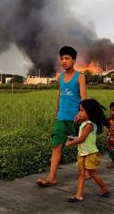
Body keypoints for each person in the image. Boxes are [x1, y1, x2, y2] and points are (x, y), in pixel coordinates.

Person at [37, 46, 86, 187]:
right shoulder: (61, 77)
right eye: (62, 59)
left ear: (74, 60)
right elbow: (60, 94)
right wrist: (57, 111)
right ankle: (52, 177)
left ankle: (88, 171)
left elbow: (83, 97)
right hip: (62, 117)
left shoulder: (80, 77)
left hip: (76, 118)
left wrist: (82, 114)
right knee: (56, 146)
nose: (64, 61)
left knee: (82, 146)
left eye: (67, 58)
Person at [65, 99, 109, 202]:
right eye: (79, 110)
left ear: (90, 112)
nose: (79, 113)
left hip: (90, 153)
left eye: (82, 110)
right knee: (81, 174)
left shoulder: (89, 125)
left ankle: (104, 188)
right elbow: (79, 136)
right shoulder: (84, 123)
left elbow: (81, 139)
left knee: (92, 173)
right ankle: (79, 195)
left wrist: (71, 143)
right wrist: (76, 124)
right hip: (82, 153)